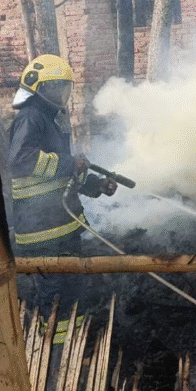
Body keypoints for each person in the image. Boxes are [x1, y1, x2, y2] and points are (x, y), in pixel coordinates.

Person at [7, 54, 116, 341]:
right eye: (55, 87)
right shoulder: (30, 117)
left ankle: (72, 350)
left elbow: (60, 175)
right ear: (37, 87)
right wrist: (70, 163)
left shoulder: (49, 121)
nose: (61, 94)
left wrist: (95, 185)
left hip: (61, 229)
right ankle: (54, 358)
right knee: (55, 298)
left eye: (63, 87)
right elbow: (21, 160)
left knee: (73, 295)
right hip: (42, 232)